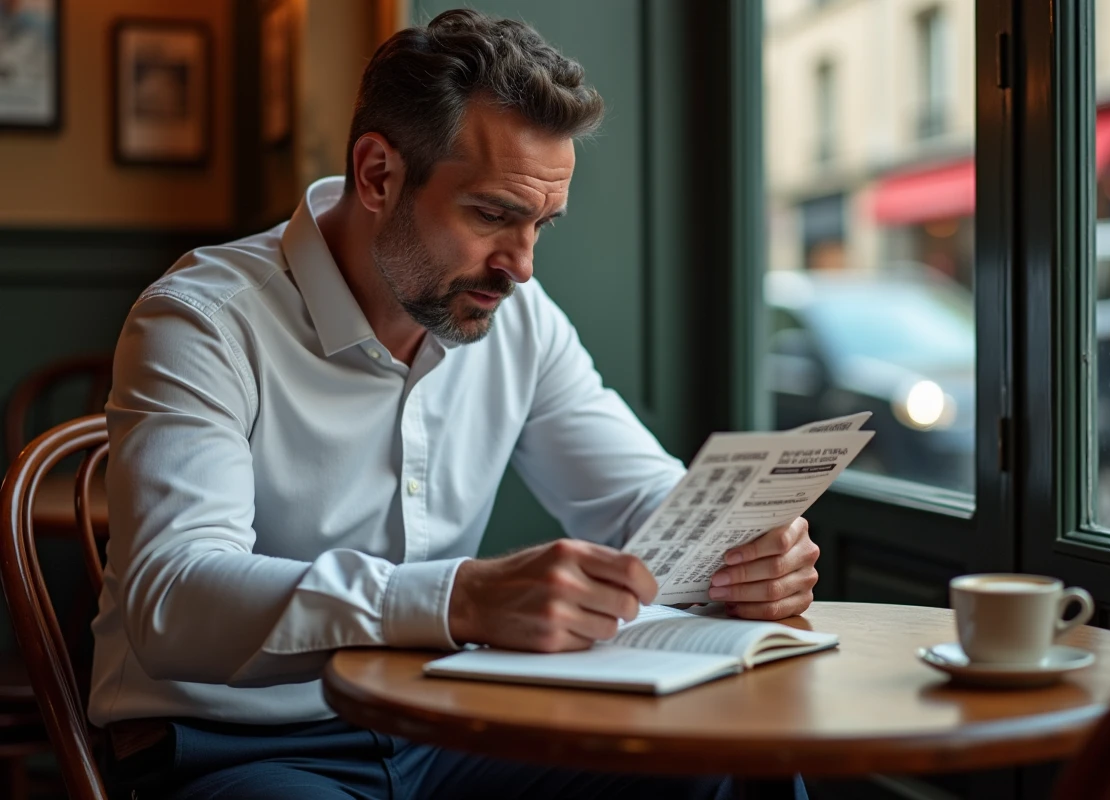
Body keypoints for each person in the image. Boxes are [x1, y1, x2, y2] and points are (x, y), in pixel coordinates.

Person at [92, 10, 818, 799]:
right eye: (493, 215)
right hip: (237, 742)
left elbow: (641, 500)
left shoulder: (517, 319)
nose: (523, 268)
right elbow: (174, 598)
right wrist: (463, 597)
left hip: (446, 718)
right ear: (378, 175)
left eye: (541, 224)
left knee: (721, 764)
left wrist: (742, 557)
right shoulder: (203, 319)